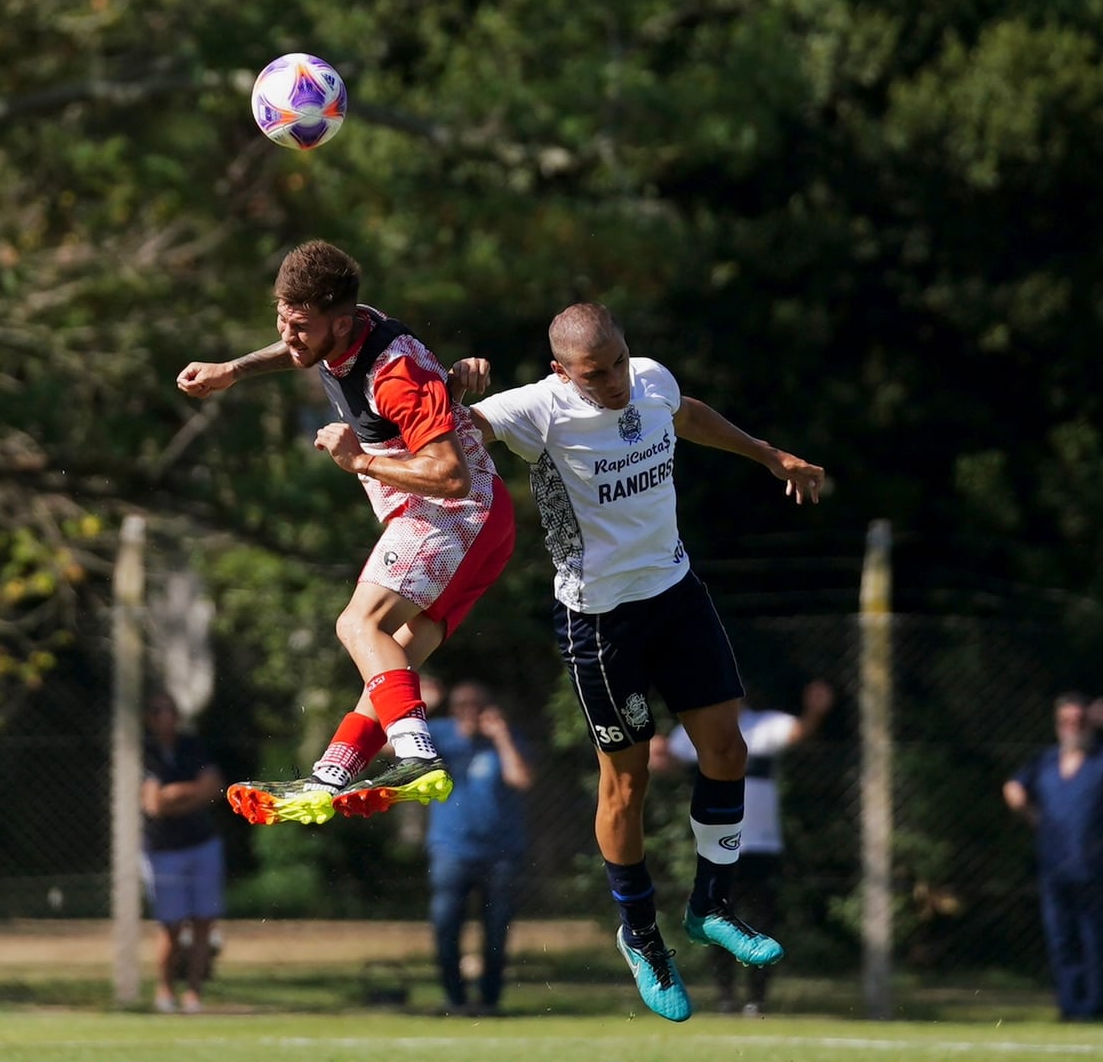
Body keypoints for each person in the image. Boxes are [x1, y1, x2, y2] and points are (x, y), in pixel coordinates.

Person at [460, 302, 826, 1022]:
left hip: (676, 591)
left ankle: (712, 905)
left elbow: (684, 413)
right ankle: (641, 936)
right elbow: (454, 429)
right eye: (596, 375)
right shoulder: (538, 409)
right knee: (625, 786)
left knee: (727, 747)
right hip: (600, 621)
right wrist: (447, 387)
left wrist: (768, 454)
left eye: (620, 364)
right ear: (562, 371)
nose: (616, 383)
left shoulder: (650, 380)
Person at [176, 240, 516, 825]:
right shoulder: (340, 330)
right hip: (484, 525)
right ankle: (331, 775)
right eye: (281, 317)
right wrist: (233, 370)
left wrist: (359, 461)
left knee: (358, 623)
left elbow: (450, 476)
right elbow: (300, 352)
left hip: (454, 514)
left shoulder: (395, 373)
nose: (288, 335)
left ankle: (416, 757)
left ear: (340, 321)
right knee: (389, 665)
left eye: (300, 325)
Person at [652, 678, 837, 1015]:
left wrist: (814, 712)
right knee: (717, 918)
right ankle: (726, 997)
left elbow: (797, 732)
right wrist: (653, 751)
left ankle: (757, 999)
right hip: (717, 845)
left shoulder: (761, 725)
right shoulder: (701, 728)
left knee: (761, 921)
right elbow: (668, 760)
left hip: (762, 844)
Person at [1002, 691, 1103, 1022]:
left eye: (1080, 720)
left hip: (1095, 870)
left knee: (1094, 941)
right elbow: (1013, 787)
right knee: (1061, 942)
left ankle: (1097, 1009)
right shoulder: (1045, 761)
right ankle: (1070, 1008)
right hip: (1053, 867)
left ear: (1090, 722)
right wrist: (1030, 813)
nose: (1073, 726)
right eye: (1066, 720)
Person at [425, 680, 533, 1016]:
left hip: (500, 852)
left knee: (497, 928)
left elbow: (522, 779)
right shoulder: (438, 734)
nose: (469, 713)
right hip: (451, 850)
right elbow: (388, 746)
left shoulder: (506, 739)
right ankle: (454, 999)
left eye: (477, 705)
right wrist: (420, 706)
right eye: (462, 706)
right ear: (453, 709)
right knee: (445, 925)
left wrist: (500, 737)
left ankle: (489, 1001)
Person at [140, 691, 227, 1014]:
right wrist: (193, 795)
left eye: (170, 710)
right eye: (158, 711)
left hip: (202, 843)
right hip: (164, 850)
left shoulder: (192, 746)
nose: (166, 716)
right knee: (172, 927)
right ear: (149, 718)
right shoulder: (144, 752)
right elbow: (152, 804)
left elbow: (214, 787)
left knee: (204, 923)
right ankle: (164, 991)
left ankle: (194, 994)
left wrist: (176, 793)